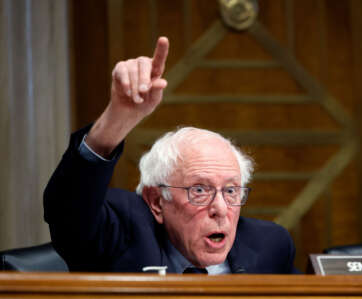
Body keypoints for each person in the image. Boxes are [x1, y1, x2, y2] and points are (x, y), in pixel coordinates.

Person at [44, 37, 297, 274]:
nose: (221, 209)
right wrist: (116, 120)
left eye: (231, 191)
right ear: (156, 201)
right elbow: (69, 211)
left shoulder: (270, 246)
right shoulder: (123, 233)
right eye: (199, 190)